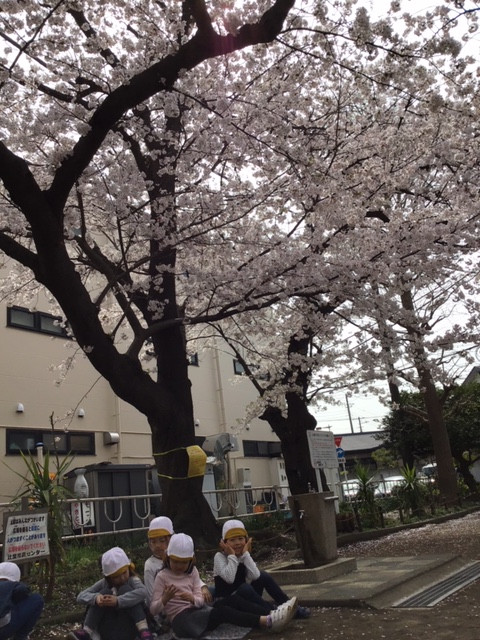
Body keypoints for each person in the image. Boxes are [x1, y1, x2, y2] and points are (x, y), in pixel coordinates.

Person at [150, 533, 296, 637]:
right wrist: (164, 599)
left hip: (198, 610)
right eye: (175, 561)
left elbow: (200, 602)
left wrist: (192, 599)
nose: (179, 566)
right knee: (224, 612)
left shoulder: (192, 572)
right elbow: (153, 610)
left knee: (233, 600)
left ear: (191, 560)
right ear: (167, 558)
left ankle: (271, 612)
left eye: (183, 562)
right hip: (182, 620)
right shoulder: (162, 576)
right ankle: (266, 621)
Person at [214, 519, 311, 619]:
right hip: (228, 602)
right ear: (224, 543)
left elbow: (255, 576)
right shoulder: (219, 557)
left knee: (263, 575)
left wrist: (246, 555)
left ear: (246, 540)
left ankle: (290, 606)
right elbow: (229, 579)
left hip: (245, 597)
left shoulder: (243, 556)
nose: (237, 543)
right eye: (232, 540)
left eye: (240, 539)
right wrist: (232, 556)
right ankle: (274, 611)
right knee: (244, 588)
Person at [67, 546, 153, 640]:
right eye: (117, 576)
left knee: (125, 590)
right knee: (104, 593)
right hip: (108, 626)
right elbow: (81, 596)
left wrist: (118, 601)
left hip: (130, 624)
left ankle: (144, 630)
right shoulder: (104, 583)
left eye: (124, 572)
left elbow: (143, 592)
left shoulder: (132, 580)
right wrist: (96, 598)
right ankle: (87, 631)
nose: (122, 578)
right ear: (109, 577)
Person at [143, 516, 212, 608]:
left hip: (191, 600)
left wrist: (203, 587)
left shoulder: (181, 556)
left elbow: (191, 575)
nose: (158, 545)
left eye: (162, 541)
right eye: (153, 542)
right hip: (172, 608)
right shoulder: (150, 565)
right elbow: (151, 595)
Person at [0, 561, 44, 640]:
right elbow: (23, 591)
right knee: (37, 599)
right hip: (3, 629)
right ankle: (20, 637)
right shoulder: (13, 585)